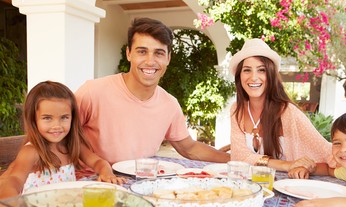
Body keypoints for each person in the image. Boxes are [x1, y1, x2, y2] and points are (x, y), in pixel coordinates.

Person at [75, 17, 230, 165]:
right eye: (142, 51)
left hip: (141, 184)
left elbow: (189, 148)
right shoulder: (92, 92)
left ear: (168, 58)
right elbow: (64, 135)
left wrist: (234, 159)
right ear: (129, 54)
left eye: (158, 53)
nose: (150, 61)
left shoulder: (169, 104)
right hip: (91, 183)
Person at [0, 81, 125, 199]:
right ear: (33, 119)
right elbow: (14, 179)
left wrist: (106, 172)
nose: (57, 126)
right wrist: (11, 201)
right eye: (47, 118)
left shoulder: (71, 145)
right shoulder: (32, 151)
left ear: (72, 117)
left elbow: (98, 162)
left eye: (64, 117)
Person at [229, 38, 332, 172]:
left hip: (284, 187)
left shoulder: (287, 112)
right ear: (239, 76)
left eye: (261, 70)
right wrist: (286, 165)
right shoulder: (237, 109)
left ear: (271, 75)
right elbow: (239, 157)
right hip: (249, 186)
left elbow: (324, 150)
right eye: (247, 70)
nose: (253, 77)